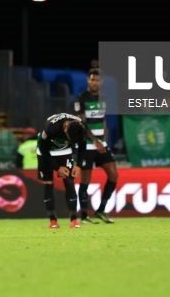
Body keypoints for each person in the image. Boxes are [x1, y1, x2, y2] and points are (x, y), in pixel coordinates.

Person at [37, 112, 104, 228]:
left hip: (65, 151)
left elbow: (83, 146)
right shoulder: (51, 128)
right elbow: (43, 150)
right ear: (65, 128)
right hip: (47, 150)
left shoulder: (80, 126)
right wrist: (57, 168)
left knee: (69, 180)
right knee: (48, 183)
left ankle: (74, 220)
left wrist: (78, 165)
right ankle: (53, 221)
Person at [73, 69, 118, 224]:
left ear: (101, 82)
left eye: (97, 80)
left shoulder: (103, 98)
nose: (94, 82)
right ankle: (84, 216)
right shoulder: (81, 99)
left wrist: (104, 138)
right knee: (86, 180)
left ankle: (100, 211)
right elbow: (82, 124)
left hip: (101, 142)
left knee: (113, 175)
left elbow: (102, 118)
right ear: (88, 81)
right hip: (87, 144)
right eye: (92, 80)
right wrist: (95, 141)